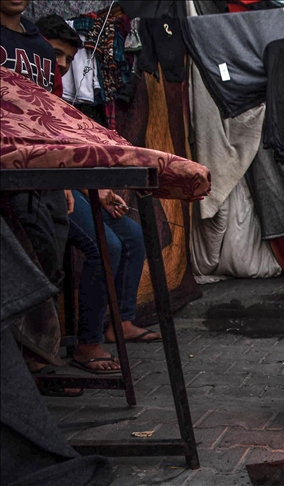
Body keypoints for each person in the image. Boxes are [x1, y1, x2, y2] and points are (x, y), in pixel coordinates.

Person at [35, 15, 161, 374]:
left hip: (69, 179)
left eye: (66, 59)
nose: (61, 64)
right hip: (41, 184)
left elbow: (69, 148)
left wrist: (100, 190)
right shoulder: (25, 83)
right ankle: (87, 342)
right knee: (108, 246)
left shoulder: (57, 89)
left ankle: (119, 321)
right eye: (56, 54)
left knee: (133, 236)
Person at [1, 0, 77, 394]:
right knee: (17, 258)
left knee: (49, 254)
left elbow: (56, 115)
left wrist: (62, 178)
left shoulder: (41, 47)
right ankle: (17, 365)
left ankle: (37, 356)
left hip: (44, 169)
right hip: (5, 168)